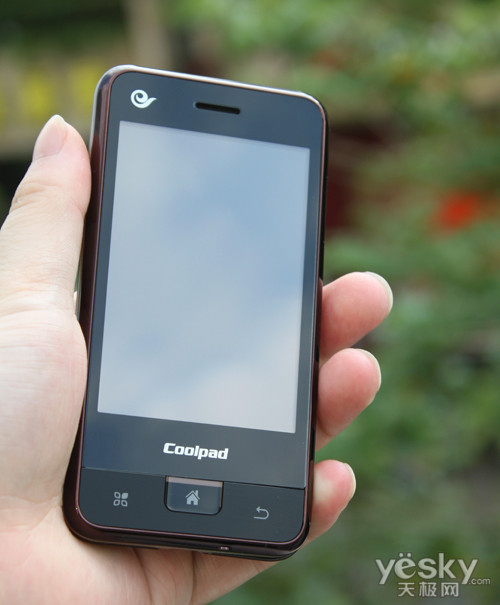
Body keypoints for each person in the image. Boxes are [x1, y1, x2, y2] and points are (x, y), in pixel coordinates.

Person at [0, 116, 393, 604]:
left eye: (235, 248)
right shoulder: (145, 351)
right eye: (189, 228)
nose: (214, 262)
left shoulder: (245, 369)